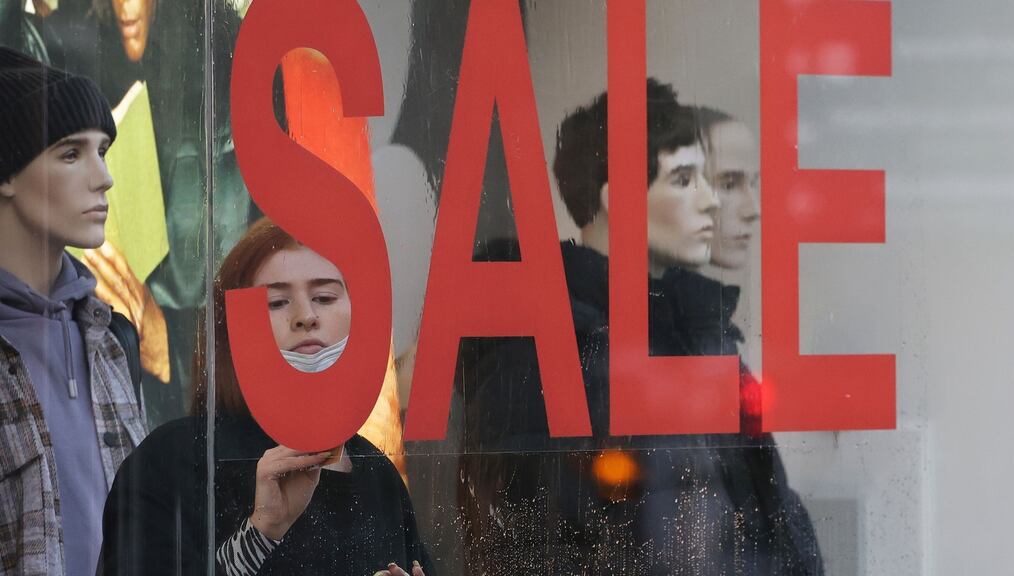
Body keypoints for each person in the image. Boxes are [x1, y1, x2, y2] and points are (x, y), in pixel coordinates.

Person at [458, 80, 821, 574]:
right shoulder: (543, 347)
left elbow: (769, 514)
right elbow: (532, 547)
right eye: (684, 178)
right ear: (618, 198)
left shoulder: (696, 331)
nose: (711, 200)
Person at [98, 218, 432, 576]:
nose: (305, 316)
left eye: (324, 297)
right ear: (231, 328)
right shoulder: (174, 459)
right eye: (277, 302)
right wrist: (261, 532)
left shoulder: (375, 471)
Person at [0, 47, 147, 576]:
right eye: (70, 153)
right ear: (6, 174)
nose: (103, 177)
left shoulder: (116, 341)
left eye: (102, 151)